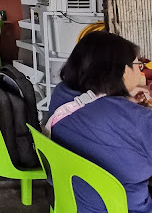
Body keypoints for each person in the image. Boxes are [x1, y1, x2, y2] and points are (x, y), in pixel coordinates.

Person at [49, 31, 152, 213]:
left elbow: (98, 110)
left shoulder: (61, 94)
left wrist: (123, 100)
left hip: (72, 202)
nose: (140, 70)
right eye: (138, 64)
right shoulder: (139, 120)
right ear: (123, 71)